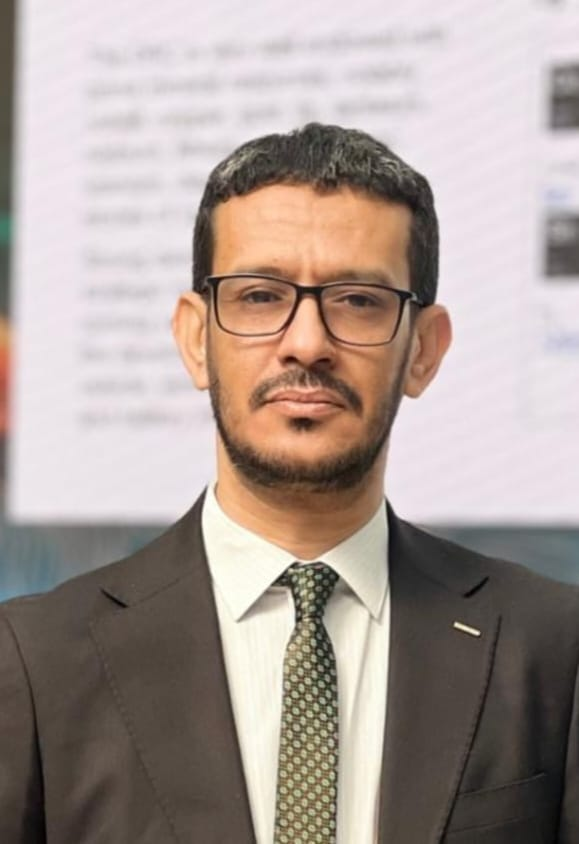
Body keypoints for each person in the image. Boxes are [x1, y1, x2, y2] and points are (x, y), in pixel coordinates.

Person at [1, 123, 578, 844]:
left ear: (423, 350)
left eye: (358, 300)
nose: (306, 343)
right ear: (196, 339)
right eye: (258, 296)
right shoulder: (34, 658)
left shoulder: (552, 646)